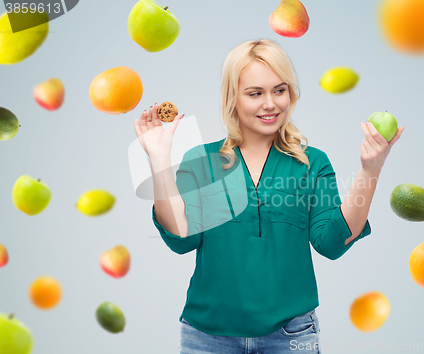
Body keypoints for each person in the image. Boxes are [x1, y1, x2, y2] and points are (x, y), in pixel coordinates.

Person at [133, 38, 404, 354]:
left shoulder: (311, 162)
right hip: (207, 337)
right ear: (233, 98)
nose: (271, 104)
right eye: (255, 93)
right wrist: (159, 160)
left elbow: (332, 244)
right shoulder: (204, 161)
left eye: (279, 90)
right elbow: (180, 239)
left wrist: (370, 170)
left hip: (290, 335)